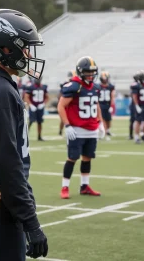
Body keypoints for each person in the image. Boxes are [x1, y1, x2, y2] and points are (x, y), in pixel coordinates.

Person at [0, 9, 48, 261]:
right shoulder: (0, 91)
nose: (27, 54)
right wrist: (30, 221)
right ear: (3, 48)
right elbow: (6, 164)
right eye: (23, 47)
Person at [58, 56, 105, 199]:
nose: (90, 75)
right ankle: (65, 187)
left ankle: (85, 186)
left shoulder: (95, 87)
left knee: (87, 158)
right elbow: (61, 106)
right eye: (87, 72)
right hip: (77, 130)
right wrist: (67, 125)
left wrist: (100, 122)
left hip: (92, 129)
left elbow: (96, 105)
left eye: (92, 72)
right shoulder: (75, 86)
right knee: (72, 158)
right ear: (80, 72)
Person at [130, 70, 144, 144]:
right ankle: (136, 137)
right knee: (138, 121)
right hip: (140, 105)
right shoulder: (136, 85)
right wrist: (137, 106)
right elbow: (134, 96)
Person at [25, 77, 49, 141]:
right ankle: (25, 134)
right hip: (33, 107)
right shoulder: (30, 87)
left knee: (40, 122)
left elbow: (47, 97)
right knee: (31, 121)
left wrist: (43, 104)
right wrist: (31, 105)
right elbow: (26, 97)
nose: (37, 80)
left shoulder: (44, 87)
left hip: (40, 107)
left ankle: (39, 136)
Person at [98, 71, 115, 140]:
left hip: (107, 104)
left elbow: (112, 96)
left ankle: (107, 131)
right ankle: (104, 134)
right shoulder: (98, 86)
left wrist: (111, 106)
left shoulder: (111, 86)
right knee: (103, 119)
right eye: (103, 78)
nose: (105, 79)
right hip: (101, 104)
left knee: (108, 120)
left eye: (106, 78)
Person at [58, 70, 76, 136]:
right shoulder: (65, 85)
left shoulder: (76, 85)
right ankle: (60, 130)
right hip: (65, 103)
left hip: (71, 105)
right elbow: (60, 95)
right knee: (63, 119)